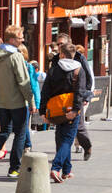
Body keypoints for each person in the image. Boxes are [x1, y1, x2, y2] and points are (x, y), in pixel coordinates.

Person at [0, 26, 33, 177]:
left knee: (4, 131)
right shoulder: (16, 56)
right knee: (20, 134)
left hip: (0, 101)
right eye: (20, 38)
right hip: (16, 102)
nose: (22, 40)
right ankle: (14, 168)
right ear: (11, 39)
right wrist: (31, 101)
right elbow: (23, 81)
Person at [39, 40, 91, 183]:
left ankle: (66, 171)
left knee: (61, 139)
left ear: (62, 54)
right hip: (70, 111)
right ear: (73, 55)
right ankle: (55, 168)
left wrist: (43, 112)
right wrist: (75, 110)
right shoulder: (78, 70)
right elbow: (79, 92)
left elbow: (45, 91)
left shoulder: (53, 69)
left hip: (55, 110)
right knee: (67, 140)